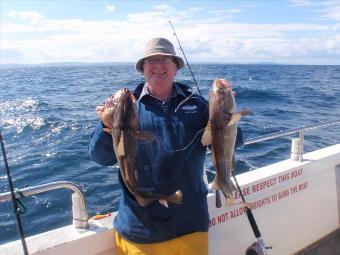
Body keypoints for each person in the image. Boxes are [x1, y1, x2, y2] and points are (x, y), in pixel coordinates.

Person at [89, 38, 243, 255]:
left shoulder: (198, 105)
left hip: (191, 225)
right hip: (140, 229)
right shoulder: (125, 106)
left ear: (176, 67)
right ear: (142, 68)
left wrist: (227, 112)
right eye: (151, 60)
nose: (158, 65)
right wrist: (106, 124)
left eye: (165, 60)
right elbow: (101, 157)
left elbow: (233, 143)